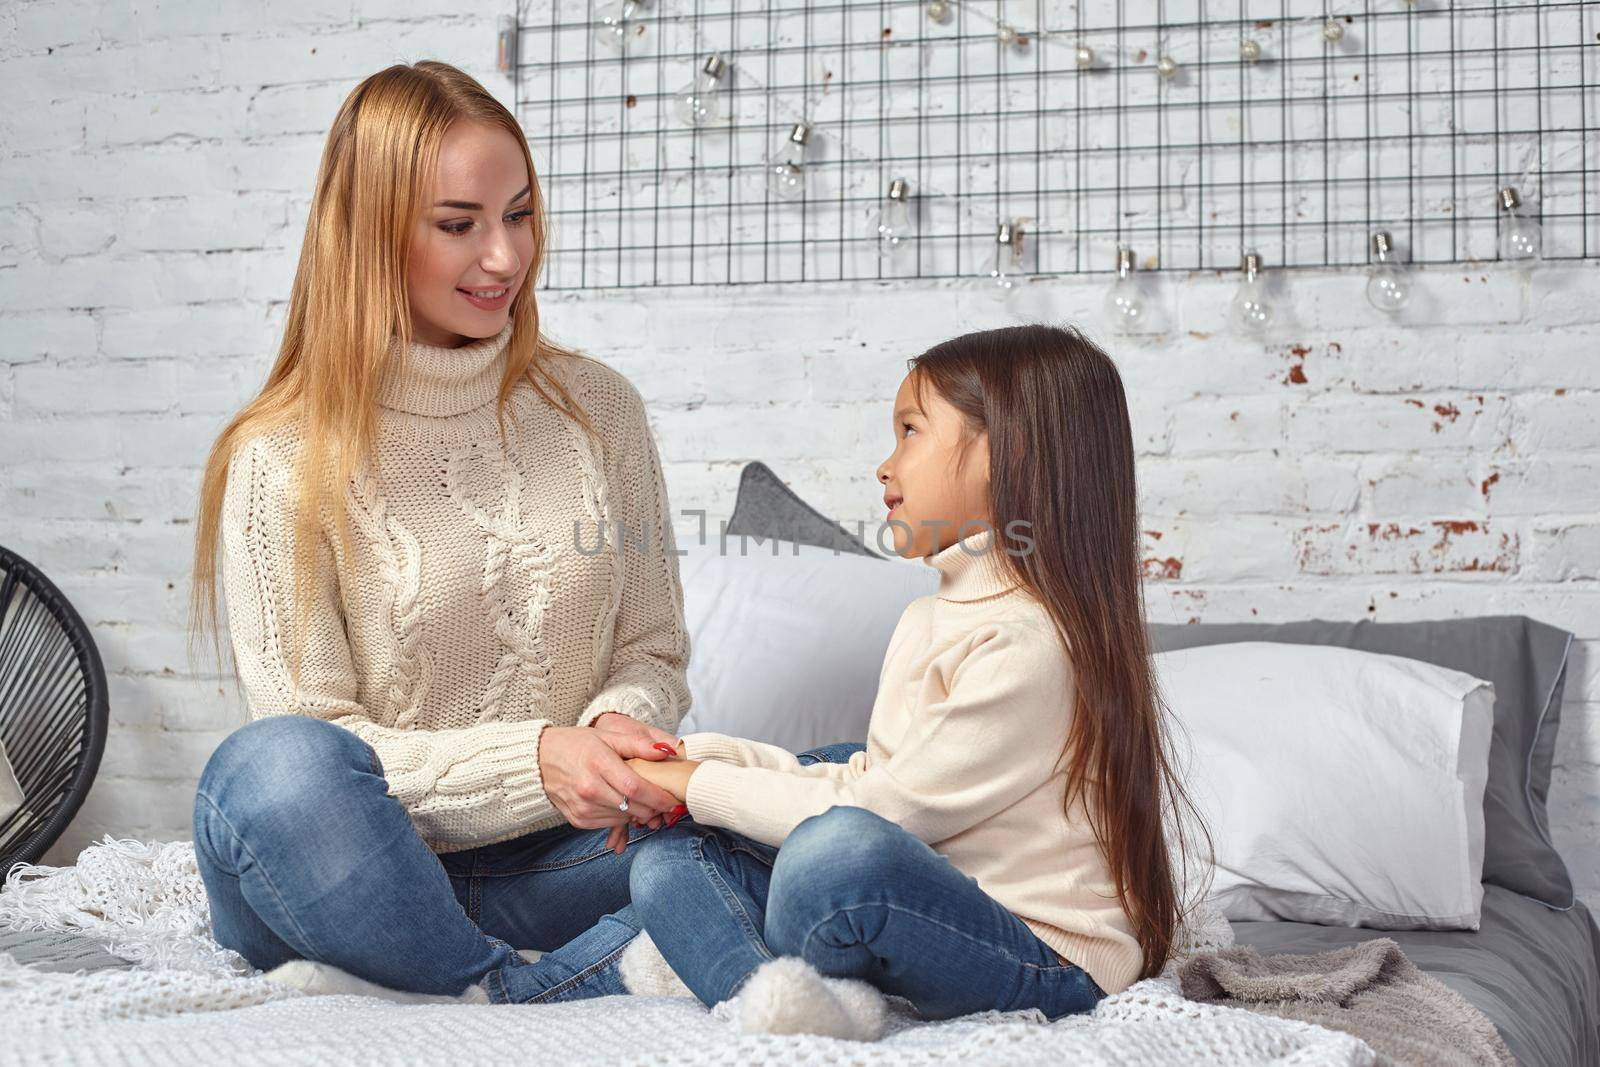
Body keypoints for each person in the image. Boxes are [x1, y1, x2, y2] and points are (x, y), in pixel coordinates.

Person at [186, 60, 695, 1004]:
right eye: (460, 225)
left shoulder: (599, 411)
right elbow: (317, 738)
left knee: (822, 788)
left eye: (521, 213)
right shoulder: (280, 456)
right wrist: (533, 758)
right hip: (352, 874)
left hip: (558, 865)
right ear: (372, 237)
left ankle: (500, 985)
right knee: (268, 769)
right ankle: (519, 983)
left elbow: (653, 645)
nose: (505, 257)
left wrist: (616, 728)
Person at [618, 324, 1212, 1038]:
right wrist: (686, 765)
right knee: (668, 858)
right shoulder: (933, 613)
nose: (885, 464)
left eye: (909, 432)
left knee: (833, 855)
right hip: (933, 896)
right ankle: (775, 1005)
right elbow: (874, 775)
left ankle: (763, 979)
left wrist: (696, 782)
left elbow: (883, 812)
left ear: (1003, 453)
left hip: (1043, 958)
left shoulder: (1031, 640)